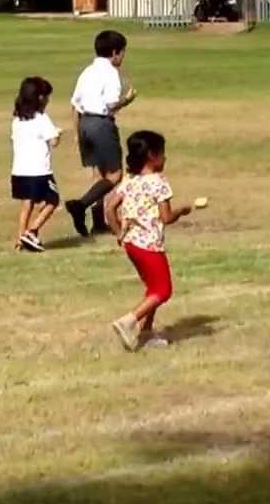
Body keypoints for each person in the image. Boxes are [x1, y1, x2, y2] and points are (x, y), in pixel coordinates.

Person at [104, 130, 194, 351]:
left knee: (152, 288)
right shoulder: (159, 183)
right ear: (152, 156)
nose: (165, 158)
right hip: (150, 246)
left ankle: (146, 332)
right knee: (163, 290)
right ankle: (128, 321)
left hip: (132, 245)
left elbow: (109, 207)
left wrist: (118, 232)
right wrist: (181, 211)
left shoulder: (130, 180)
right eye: (163, 154)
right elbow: (166, 217)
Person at [66, 30, 138, 237]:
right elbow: (111, 105)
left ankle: (98, 222)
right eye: (123, 53)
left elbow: (75, 104)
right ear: (115, 52)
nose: (123, 58)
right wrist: (128, 100)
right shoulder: (110, 73)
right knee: (115, 175)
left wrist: (77, 133)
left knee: (98, 174)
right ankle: (80, 205)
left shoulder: (87, 71)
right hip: (101, 124)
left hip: (84, 123)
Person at [10, 76, 62, 252]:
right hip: (39, 171)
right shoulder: (41, 118)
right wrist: (57, 134)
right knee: (53, 201)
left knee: (27, 204)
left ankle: (20, 238)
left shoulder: (17, 120)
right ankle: (31, 232)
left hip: (19, 170)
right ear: (40, 98)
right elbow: (54, 141)